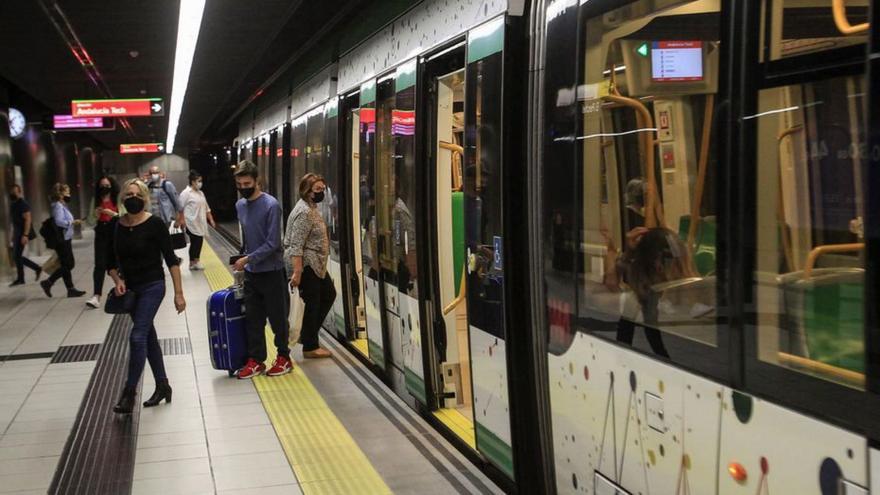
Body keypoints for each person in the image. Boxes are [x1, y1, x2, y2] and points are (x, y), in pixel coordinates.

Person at [108, 179, 186, 413]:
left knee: (137, 336)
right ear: (123, 198)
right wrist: (118, 280)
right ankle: (163, 385)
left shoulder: (155, 225)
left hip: (153, 286)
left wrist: (179, 294)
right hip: (132, 289)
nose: (133, 198)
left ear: (144, 198)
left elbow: (171, 260)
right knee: (148, 337)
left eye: (137, 194)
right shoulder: (116, 226)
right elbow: (109, 262)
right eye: (128, 194)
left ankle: (128, 393)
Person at [233, 160, 292, 378]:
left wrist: (248, 258)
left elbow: (274, 243)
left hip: (272, 272)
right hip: (251, 274)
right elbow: (248, 238)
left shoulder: (271, 205)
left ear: (257, 181)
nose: (243, 188)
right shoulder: (240, 206)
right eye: (239, 184)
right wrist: (243, 259)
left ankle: (284, 357)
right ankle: (256, 360)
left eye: (247, 183)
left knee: (278, 319)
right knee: (253, 319)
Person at [285, 173, 336, 359]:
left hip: (315, 265)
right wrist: (297, 272)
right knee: (315, 302)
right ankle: (310, 345)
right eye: (317, 190)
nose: (321, 193)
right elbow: (296, 245)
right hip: (306, 265)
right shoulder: (305, 212)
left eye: (323, 189)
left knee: (326, 296)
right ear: (307, 191)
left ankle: (308, 336)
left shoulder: (310, 207)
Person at [40, 184, 86, 298]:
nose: (69, 195)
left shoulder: (62, 205)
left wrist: (73, 221)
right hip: (62, 239)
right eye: (67, 193)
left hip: (66, 238)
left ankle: (70, 289)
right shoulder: (58, 206)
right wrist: (71, 223)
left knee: (66, 264)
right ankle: (48, 282)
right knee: (69, 264)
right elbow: (59, 221)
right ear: (60, 195)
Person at [85, 176, 120, 308]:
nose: (104, 188)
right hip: (101, 232)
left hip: (115, 231)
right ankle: (96, 295)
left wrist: (113, 214)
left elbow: (124, 216)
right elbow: (90, 221)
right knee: (100, 264)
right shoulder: (96, 200)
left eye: (107, 185)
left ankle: (121, 286)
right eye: (102, 185)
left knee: (116, 262)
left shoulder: (117, 199)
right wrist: (96, 215)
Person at [178, 170, 215, 270]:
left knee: (197, 242)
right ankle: (195, 261)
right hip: (190, 222)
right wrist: (181, 220)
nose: (200, 183)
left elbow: (206, 207)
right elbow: (180, 207)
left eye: (201, 181)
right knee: (196, 241)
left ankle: (192, 262)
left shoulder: (200, 193)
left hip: (200, 222)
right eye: (198, 181)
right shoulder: (186, 193)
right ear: (193, 182)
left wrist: (211, 219)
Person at [8, 185, 41, 286]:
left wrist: (25, 235)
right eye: (12, 192)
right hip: (17, 233)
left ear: (19, 192)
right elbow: (14, 222)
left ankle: (36, 268)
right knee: (17, 256)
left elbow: (28, 220)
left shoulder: (23, 204)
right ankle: (21, 278)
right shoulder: (13, 205)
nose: (13, 194)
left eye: (15, 192)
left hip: (22, 234)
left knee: (17, 256)